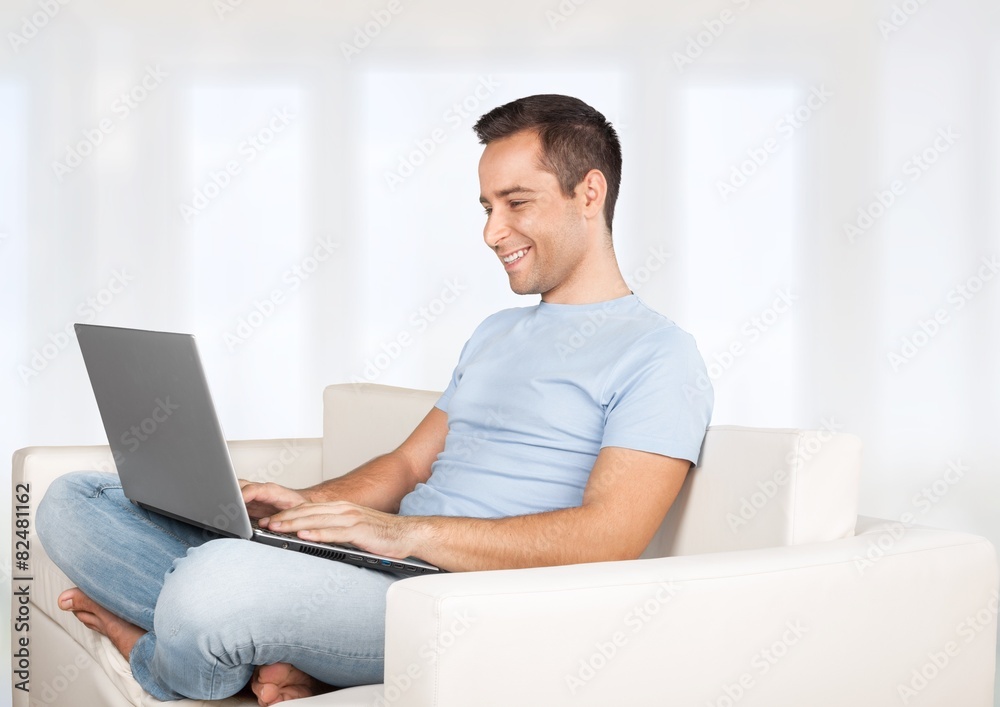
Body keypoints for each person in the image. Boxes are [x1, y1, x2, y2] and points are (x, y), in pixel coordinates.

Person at [36, 94, 713, 705]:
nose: (491, 232)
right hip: (378, 567)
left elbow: (609, 537)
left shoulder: (660, 355)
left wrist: (406, 532)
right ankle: (261, 636)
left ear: (588, 192)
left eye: (516, 202)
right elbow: (409, 466)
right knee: (73, 502)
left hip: (455, 603)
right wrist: (308, 510)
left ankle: (163, 658)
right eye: (485, 207)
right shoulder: (496, 333)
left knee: (215, 587)